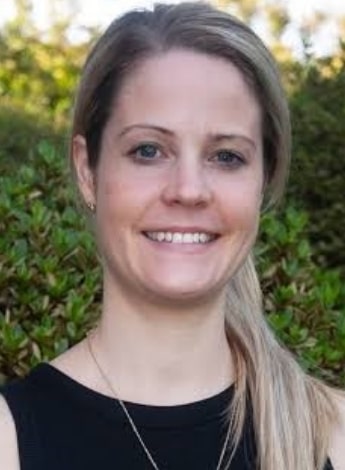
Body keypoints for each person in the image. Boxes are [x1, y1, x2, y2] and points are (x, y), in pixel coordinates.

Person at [0, 2, 344, 469]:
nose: (188, 190)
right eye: (148, 150)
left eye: (226, 156)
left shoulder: (333, 436)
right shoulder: (9, 439)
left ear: (263, 179)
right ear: (87, 170)